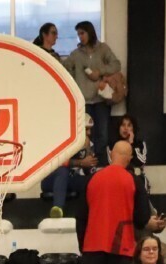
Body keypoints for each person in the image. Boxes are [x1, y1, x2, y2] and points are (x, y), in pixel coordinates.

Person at [73, 141, 150, 264]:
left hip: (93, 245)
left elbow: (80, 216)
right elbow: (142, 218)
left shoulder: (93, 179)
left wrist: (84, 245)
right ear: (129, 158)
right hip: (122, 246)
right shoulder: (133, 180)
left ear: (111, 155)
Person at [67, 22, 123, 161]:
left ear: (90, 32)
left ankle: (101, 162)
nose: (80, 37)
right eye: (78, 34)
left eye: (82, 33)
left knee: (102, 133)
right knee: (85, 135)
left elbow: (116, 64)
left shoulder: (103, 49)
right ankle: (88, 162)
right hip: (84, 100)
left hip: (101, 99)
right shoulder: (75, 54)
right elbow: (65, 67)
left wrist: (101, 72)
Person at [41, 129, 97, 217]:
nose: (89, 132)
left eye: (90, 129)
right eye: (86, 129)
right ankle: (57, 209)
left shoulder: (88, 143)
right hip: (51, 179)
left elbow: (88, 171)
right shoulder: (62, 139)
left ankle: (96, 213)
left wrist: (87, 151)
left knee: (94, 179)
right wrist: (81, 162)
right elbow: (59, 162)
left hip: (71, 179)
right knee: (63, 170)